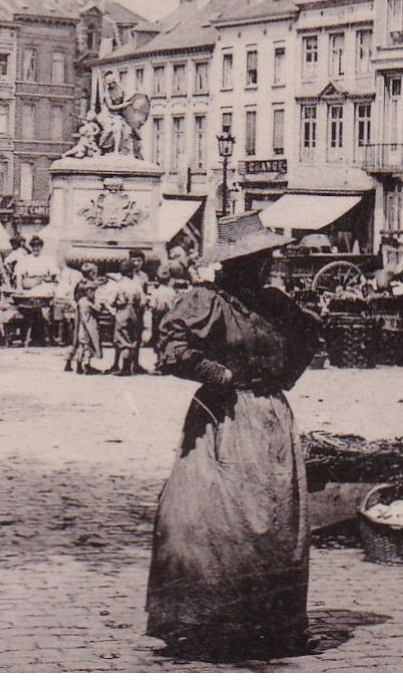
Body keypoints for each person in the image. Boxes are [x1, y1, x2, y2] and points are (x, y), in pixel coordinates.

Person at [147, 230, 318, 661]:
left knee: (274, 517)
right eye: (254, 261)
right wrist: (217, 374)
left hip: (270, 419)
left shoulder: (274, 304)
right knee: (214, 516)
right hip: (223, 418)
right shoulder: (207, 301)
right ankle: (209, 619)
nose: (262, 268)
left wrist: (282, 378)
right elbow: (171, 349)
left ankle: (269, 623)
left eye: (264, 260)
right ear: (233, 264)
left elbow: (307, 338)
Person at [64, 261, 102, 374]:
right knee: (87, 340)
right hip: (87, 318)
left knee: (75, 341)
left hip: (78, 315)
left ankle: (69, 362)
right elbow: (94, 305)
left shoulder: (79, 285)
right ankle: (86, 365)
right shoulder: (90, 289)